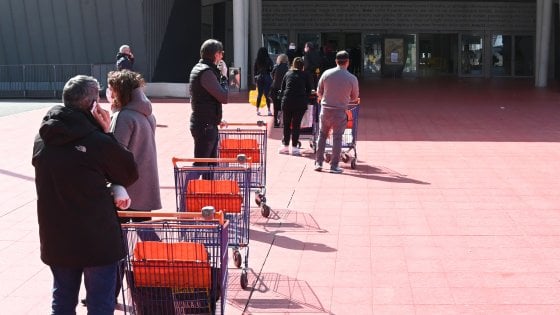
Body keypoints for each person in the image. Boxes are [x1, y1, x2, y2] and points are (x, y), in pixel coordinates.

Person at [32, 75, 139, 314]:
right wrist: (107, 132)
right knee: (100, 303)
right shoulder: (97, 140)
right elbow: (128, 171)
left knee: (62, 301)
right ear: (93, 106)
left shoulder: (43, 137)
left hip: (57, 236)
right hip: (96, 238)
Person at [107, 70, 162, 221]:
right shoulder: (147, 114)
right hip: (145, 181)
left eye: (111, 89)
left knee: (120, 233)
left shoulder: (124, 116)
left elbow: (115, 153)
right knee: (144, 231)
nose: (110, 94)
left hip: (127, 186)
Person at [314, 50, 359, 174]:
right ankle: (334, 166)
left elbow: (319, 91)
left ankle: (318, 163)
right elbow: (354, 97)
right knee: (337, 138)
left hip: (325, 109)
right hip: (340, 111)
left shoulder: (326, 74)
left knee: (322, 135)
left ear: (336, 61)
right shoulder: (352, 78)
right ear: (348, 62)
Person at [189, 39, 228, 166]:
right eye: (221, 53)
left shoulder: (201, 69)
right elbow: (223, 97)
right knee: (201, 165)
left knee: (210, 166)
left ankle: (204, 185)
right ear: (216, 55)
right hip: (205, 126)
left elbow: (205, 98)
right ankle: (186, 186)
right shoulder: (206, 72)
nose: (222, 56)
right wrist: (224, 77)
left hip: (206, 123)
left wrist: (216, 119)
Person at [278, 57, 312, 156]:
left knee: (287, 124)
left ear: (293, 64)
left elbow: (283, 88)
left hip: (287, 101)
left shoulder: (288, 73)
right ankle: (294, 148)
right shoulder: (305, 74)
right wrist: (305, 98)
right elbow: (309, 89)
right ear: (303, 66)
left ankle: (285, 146)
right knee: (296, 125)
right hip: (300, 102)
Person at [253, 47, 274, 116]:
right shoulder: (268, 59)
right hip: (267, 77)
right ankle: (269, 110)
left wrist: (255, 78)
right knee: (267, 94)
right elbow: (272, 68)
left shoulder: (257, 60)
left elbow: (255, 70)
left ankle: (257, 110)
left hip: (259, 77)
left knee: (259, 94)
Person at [270, 54, 289, 128]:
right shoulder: (287, 68)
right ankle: (284, 123)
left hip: (275, 88)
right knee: (284, 107)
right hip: (284, 89)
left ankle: (275, 122)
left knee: (275, 107)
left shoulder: (276, 67)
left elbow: (272, 75)